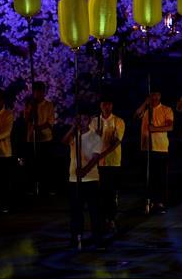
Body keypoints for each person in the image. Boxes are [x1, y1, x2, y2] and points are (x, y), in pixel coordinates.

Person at [62, 104, 107, 249]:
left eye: (84, 119)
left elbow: (95, 158)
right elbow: (63, 142)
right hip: (74, 179)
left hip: (91, 179)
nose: (82, 122)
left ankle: (97, 239)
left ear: (89, 121)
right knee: (76, 212)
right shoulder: (74, 135)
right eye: (79, 119)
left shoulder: (95, 137)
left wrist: (85, 170)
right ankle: (76, 237)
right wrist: (72, 128)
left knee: (95, 211)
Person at [90, 96, 125, 231]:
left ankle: (111, 218)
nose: (106, 107)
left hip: (112, 162)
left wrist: (103, 153)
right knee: (99, 193)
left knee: (110, 192)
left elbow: (116, 141)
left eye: (109, 104)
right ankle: (101, 218)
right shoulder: (94, 121)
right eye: (104, 104)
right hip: (97, 163)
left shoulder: (118, 121)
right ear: (100, 105)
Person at [135, 92, 174, 213]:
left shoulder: (166, 109)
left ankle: (160, 202)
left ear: (160, 96)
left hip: (160, 148)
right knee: (148, 177)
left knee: (160, 177)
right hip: (146, 148)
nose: (155, 98)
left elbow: (170, 127)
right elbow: (136, 116)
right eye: (152, 95)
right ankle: (149, 200)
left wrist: (155, 129)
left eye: (157, 95)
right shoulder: (146, 110)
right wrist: (145, 103)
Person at [24, 81, 57, 195]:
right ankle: (32, 186)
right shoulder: (30, 105)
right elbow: (26, 119)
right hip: (31, 138)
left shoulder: (49, 105)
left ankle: (47, 187)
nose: (38, 94)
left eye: (40, 92)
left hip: (45, 138)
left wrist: (38, 128)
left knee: (46, 164)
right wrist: (30, 109)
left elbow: (50, 122)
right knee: (32, 163)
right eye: (36, 92)